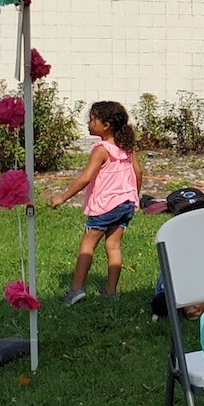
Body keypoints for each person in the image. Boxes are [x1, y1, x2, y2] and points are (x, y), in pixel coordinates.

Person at [50, 101, 143, 303]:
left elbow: (86, 177)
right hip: (126, 203)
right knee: (113, 245)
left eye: (92, 119)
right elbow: (138, 172)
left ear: (106, 125)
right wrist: (134, 196)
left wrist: (62, 197)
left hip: (105, 206)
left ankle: (76, 290)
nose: (89, 123)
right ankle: (111, 292)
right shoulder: (127, 147)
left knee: (87, 245)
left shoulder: (102, 149)